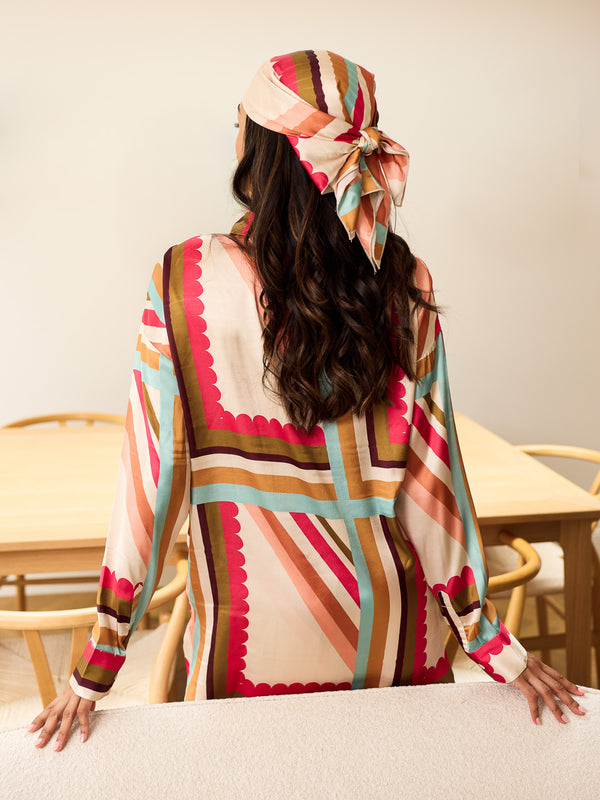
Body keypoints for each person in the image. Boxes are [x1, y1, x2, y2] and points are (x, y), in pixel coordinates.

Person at [30, 49, 585, 751]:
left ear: (260, 149)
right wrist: (497, 645)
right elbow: (433, 486)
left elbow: (150, 486)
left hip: (254, 652)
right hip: (395, 643)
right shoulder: (401, 279)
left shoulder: (181, 282)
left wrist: (96, 666)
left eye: (239, 122)